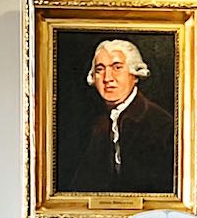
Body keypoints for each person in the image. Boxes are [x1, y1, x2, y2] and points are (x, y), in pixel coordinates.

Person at [66, 37, 176, 193]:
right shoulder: (92, 125)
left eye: (117, 67)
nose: (107, 78)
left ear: (135, 74)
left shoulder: (160, 123)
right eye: (100, 69)